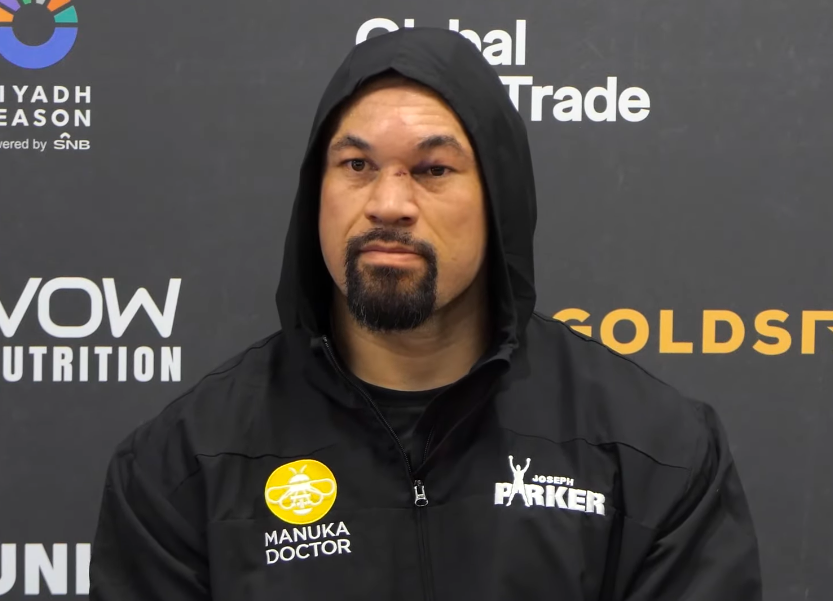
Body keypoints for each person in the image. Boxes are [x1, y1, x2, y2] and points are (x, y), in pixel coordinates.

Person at [89, 27, 763, 600]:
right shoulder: (183, 464)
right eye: (356, 164)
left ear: (498, 197)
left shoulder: (652, 452)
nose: (388, 203)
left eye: (432, 170)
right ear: (314, 193)